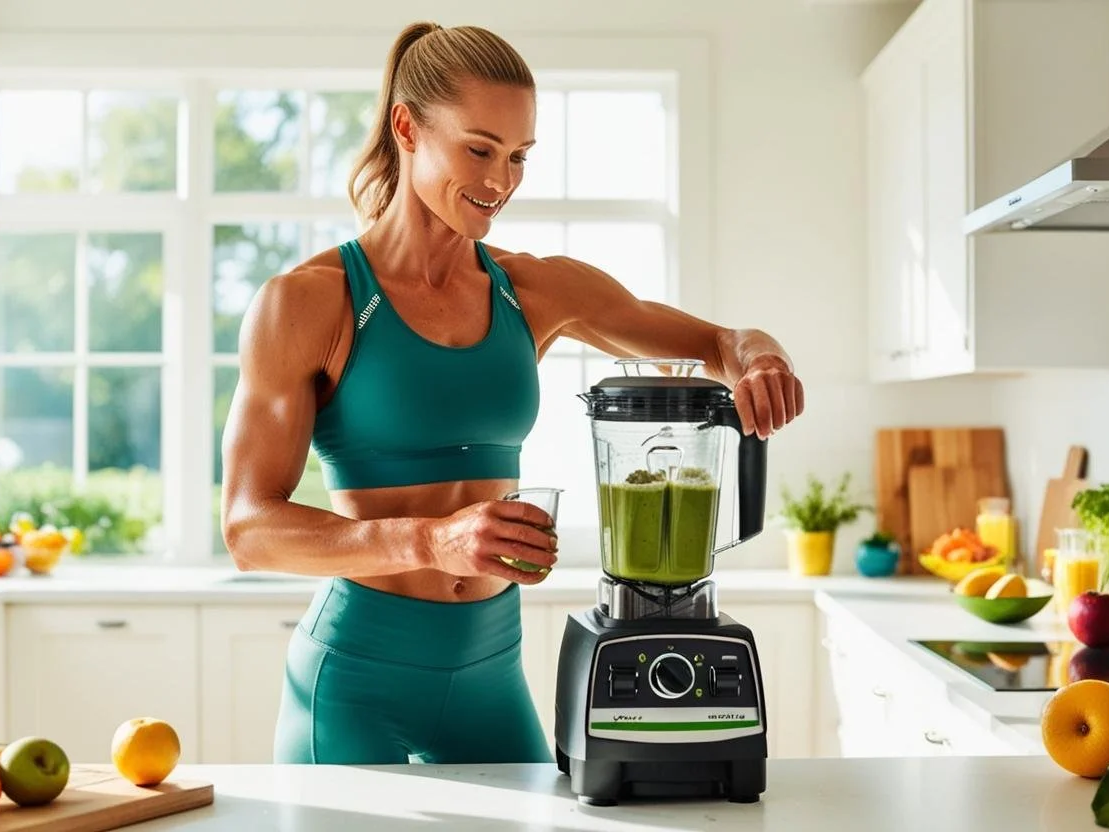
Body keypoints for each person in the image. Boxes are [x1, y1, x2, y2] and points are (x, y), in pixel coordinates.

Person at [219, 20, 806, 767]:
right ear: (407, 127)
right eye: (479, 149)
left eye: (519, 156)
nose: (501, 181)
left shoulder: (531, 289)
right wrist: (433, 540)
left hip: (491, 671)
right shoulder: (309, 302)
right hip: (355, 679)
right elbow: (248, 529)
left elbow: (722, 344)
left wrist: (761, 359)